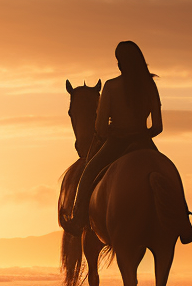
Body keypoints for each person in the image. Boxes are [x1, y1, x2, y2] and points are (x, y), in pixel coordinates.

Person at [65, 40, 163, 234]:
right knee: (169, 173)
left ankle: (78, 219)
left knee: (88, 172)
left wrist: (111, 131)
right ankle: (184, 221)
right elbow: (158, 127)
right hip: (144, 142)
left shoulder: (111, 87)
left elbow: (100, 129)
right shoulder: (149, 85)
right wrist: (142, 135)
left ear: (121, 62)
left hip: (116, 143)